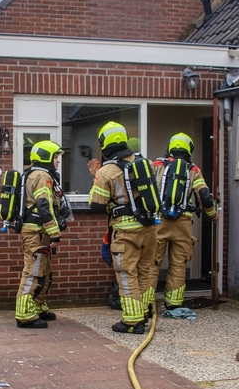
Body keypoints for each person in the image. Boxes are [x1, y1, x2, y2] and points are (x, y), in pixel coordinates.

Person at [89, 121, 159, 334]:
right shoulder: (143, 162)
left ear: (104, 143)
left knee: (127, 274)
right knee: (144, 271)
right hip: (149, 229)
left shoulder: (107, 171)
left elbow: (96, 206)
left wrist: (97, 179)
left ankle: (132, 321)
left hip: (126, 232)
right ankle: (145, 312)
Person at [148, 133, 218, 318]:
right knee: (179, 264)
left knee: (153, 263)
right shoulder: (193, 170)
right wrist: (213, 215)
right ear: (189, 149)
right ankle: (173, 304)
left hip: (159, 222)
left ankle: (147, 304)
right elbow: (204, 196)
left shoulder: (157, 165)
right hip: (183, 224)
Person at [14, 140, 71, 328]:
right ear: (46, 157)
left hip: (39, 231)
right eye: (56, 157)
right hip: (36, 232)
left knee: (44, 271)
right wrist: (55, 233)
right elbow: (44, 206)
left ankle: (38, 306)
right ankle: (24, 315)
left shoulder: (34, 174)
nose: (58, 161)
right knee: (33, 272)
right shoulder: (41, 176)